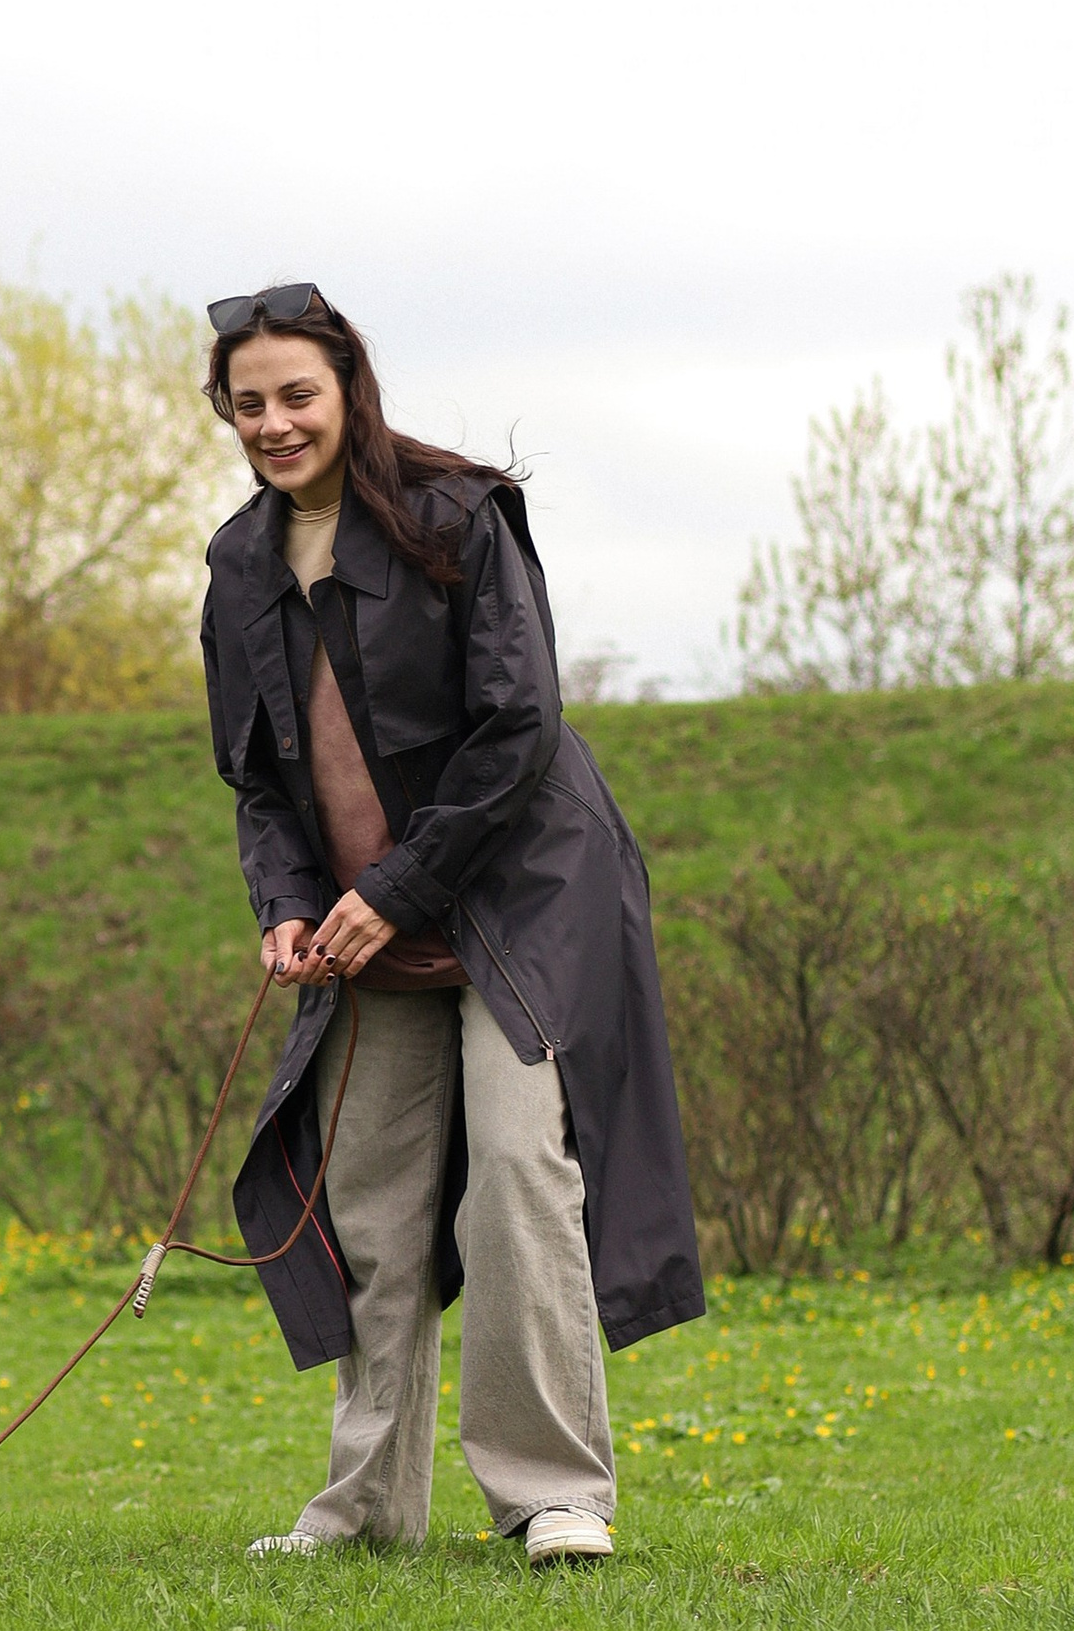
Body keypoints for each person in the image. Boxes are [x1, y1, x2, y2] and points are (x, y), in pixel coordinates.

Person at [198, 283, 702, 1565]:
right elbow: (258, 779)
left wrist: (394, 891)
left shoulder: (458, 516)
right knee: (368, 1205)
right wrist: (291, 907)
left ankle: (552, 1497)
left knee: (519, 1178)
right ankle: (365, 1509)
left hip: (518, 902)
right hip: (364, 927)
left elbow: (518, 727)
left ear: (349, 390)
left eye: (295, 394)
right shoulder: (238, 564)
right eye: (248, 402)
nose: (274, 421)